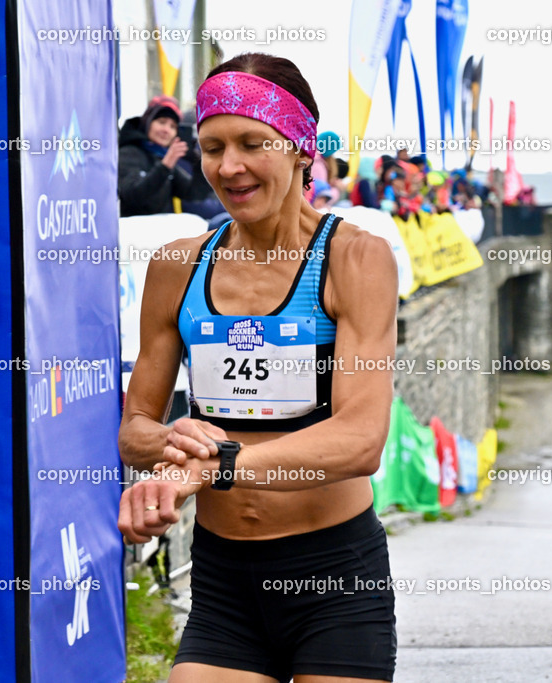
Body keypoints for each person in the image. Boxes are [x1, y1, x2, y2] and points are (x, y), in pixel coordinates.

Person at [117, 52, 399, 683]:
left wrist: (215, 466)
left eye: (252, 143)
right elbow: (135, 427)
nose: (228, 166)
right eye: (211, 147)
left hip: (334, 576)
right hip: (223, 581)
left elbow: (360, 441)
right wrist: (169, 450)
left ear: (301, 147)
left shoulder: (355, 259)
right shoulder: (177, 265)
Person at [118, 95, 201, 216]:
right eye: (161, 122)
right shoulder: (128, 152)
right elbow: (132, 196)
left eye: (173, 126)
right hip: (131, 230)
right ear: (147, 123)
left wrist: (199, 162)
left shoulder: (162, 156)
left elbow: (194, 194)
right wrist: (165, 166)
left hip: (161, 230)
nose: (166, 130)